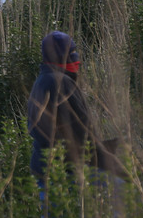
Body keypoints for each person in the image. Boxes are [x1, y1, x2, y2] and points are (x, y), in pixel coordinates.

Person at [27, 31, 122, 184]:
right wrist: (111, 162)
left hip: (43, 169)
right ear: (61, 56)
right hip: (66, 171)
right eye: (72, 52)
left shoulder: (42, 80)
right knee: (123, 190)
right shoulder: (61, 83)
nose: (76, 58)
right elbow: (81, 131)